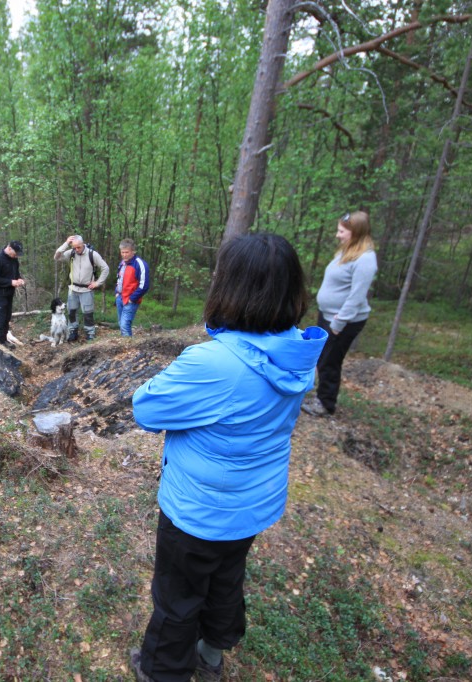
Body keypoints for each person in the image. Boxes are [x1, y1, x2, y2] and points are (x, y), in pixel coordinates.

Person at [129, 233, 327, 682]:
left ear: (231, 288)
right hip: (252, 505)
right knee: (225, 582)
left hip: (199, 509)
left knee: (178, 597)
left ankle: (163, 671)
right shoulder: (298, 355)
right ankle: (211, 657)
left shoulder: (212, 363)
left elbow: (146, 408)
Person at [302, 210, 378, 417]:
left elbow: (357, 295)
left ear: (356, 232)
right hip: (328, 314)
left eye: (342, 231)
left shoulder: (365, 259)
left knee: (330, 360)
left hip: (343, 320)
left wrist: (339, 323)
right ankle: (320, 396)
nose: (338, 235)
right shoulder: (346, 251)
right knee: (322, 356)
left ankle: (326, 404)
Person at [54, 235, 110, 341]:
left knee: (88, 313)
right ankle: (73, 332)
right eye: (74, 247)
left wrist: (98, 283)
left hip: (87, 289)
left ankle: (90, 333)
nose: (76, 249)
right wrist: (66, 244)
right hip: (73, 288)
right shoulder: (71, 253)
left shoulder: (92, 254)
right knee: (71, 312)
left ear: (83, 244)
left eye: (78, 247)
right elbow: (56, 257)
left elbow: (105, 268)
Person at [0, 240, 26, 348]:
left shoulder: (14, 259)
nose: (16, 256)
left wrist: (19, 279)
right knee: (1, 317)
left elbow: (16, 272)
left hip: (10, 292)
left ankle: (4, 339)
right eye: (15, 253)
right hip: (0, 293)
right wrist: (10, 282)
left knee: (7, 316)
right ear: (9, 248)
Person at [114, 238, 150, 337]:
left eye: (127, 252)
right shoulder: (122, 263)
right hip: (120, 297)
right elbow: (118, 279)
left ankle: (128, 349)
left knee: (125, 325)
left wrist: (132, 299)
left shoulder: (140, 264)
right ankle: (123, 346)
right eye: (122, 252)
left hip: (131, 300)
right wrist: (116, 293)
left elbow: (144, 285)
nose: (124, 255)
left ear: (133, 251)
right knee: (121, 324)